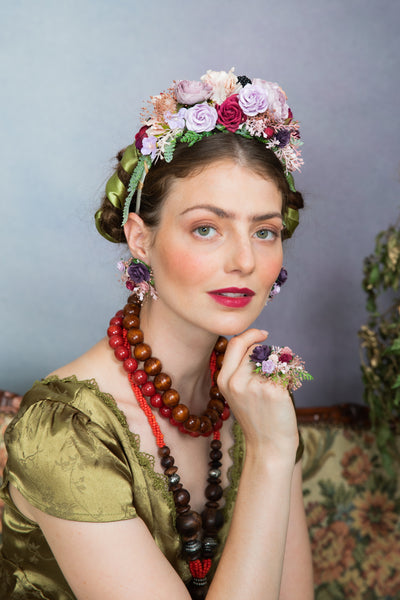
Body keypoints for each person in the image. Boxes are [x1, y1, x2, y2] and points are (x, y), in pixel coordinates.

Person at [0, 68, 314, 599]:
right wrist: (267, 459)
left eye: (264, 231)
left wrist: (273, 447)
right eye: (206, 228)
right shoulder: (65, 433)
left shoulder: (259, 401)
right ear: (139, 239)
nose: (244, 260)